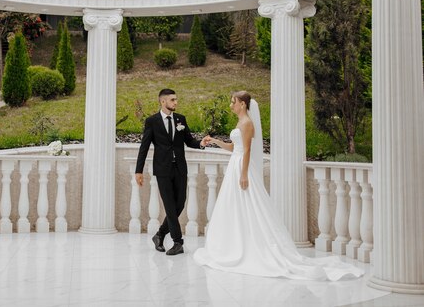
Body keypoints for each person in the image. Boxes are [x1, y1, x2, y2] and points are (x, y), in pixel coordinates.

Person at [194, 91, 363, 280]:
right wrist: (215, 142)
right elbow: (235, 147)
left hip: (241, 168)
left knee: (250, 205)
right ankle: (234, 244)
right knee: (233, 206)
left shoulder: (247, 123)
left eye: (233, 102)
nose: (230, 105)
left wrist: (243, 174)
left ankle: (253, 247)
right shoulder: (239, 123)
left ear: (242, 104)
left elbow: (247, 150)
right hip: (235, 164)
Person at [135, 88, 210, 256]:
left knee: (180, 203)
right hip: (162, 169)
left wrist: (201, 143)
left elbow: (189, 141)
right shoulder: (152, 121)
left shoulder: (180, 119)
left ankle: (160, 235)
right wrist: (138, 171)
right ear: (163, 102)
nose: (176, 102)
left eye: (176, 100)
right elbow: (144, 147)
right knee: (169, 205)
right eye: (172, 100)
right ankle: (178, 242)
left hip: (180, 168)